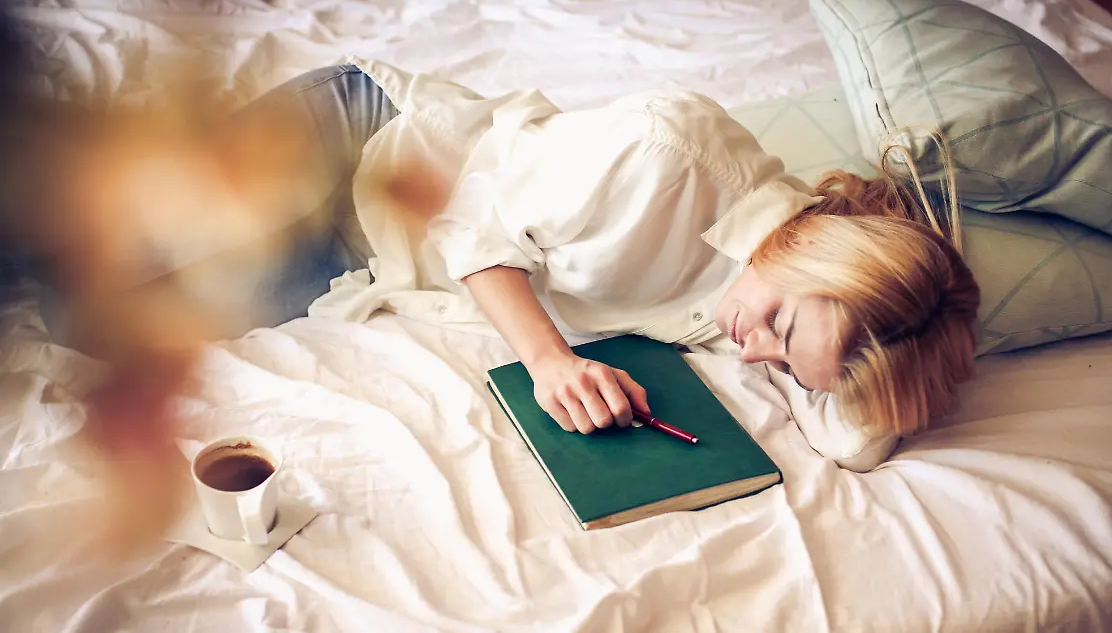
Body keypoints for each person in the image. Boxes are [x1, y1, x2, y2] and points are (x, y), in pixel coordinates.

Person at [36, 58, 981, 472]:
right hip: (365, 152)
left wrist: (874, 353)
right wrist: (549, 359)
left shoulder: (787, 303)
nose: (754, 348)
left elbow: (854, 441)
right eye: (779, 327)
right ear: (818, 246)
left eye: (783, 365)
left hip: (364, 257)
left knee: (86, 327)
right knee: (65, 242)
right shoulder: (667, 151)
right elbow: (472, 222)